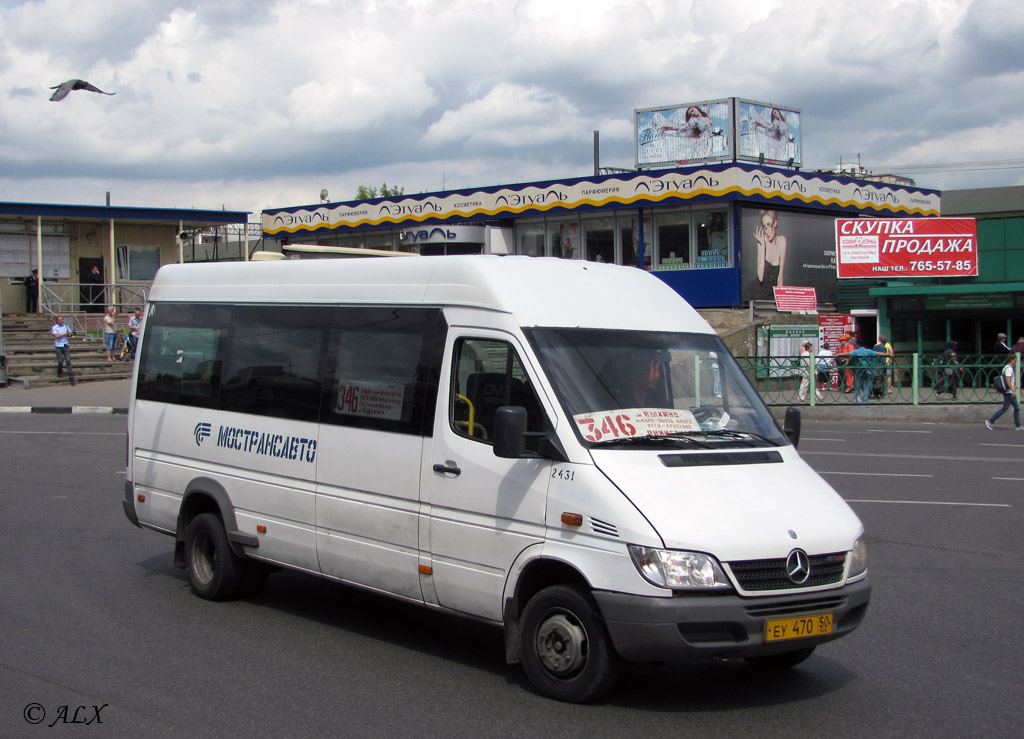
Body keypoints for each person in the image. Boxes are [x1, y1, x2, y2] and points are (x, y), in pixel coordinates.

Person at [754, 209, 787, 294]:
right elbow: (760, 277)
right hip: (759, 293)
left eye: (769, 225)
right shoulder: (761, 242)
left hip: (773, 294)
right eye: (764, 226)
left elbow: (780, 277)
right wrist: (763, 245)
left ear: (775, 223)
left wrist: (780, 299)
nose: (767, 230)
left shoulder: (782, 241)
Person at [985, 354, 1022, 431]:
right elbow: (1008, 381)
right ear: (1011, 360)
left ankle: (1018, 425)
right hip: (1009, 392)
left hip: (1009, 391)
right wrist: (1013, 390)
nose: (1016, 362)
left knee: (1016, 408)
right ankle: (990, 421)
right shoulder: (1009, 369)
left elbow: (1007, 382)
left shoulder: (1006, 368)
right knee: (1005, 409)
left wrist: (1014, 387)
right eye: (1015, 360)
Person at [51, 315, 75, 386]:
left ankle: (71, 377)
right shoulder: (54, 327)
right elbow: (57, 336)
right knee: (60, 360)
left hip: (65, 344)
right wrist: (65, 334)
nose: (62, 320)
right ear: (57, 321)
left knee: (68, 360)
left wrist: (71, 334)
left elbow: (70, 333)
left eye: (62, 319)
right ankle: (59, 372)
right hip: (58, 345)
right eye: (60, 319)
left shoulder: (66, 326)